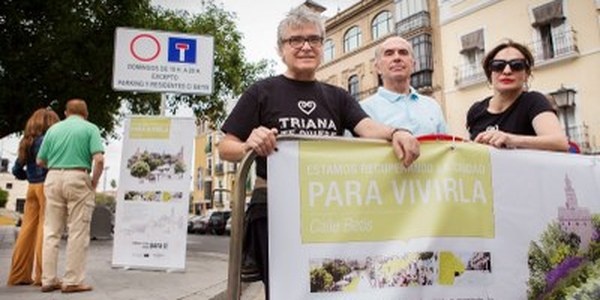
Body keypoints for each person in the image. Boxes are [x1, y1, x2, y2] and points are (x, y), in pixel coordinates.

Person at [218, 7, 420, 297]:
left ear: (322, 48)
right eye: (295, 40)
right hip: (273, 209)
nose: (305, 46)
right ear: (281, 49)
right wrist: (249, 143)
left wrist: (397, 132)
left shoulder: (337, 96)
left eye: (314, 39)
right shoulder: (261, 92)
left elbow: (366, 127)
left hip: (326, 211)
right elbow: (226, 147)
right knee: (284, 289)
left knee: (329, 287)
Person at [36, 99, 105, 293]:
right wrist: (94, 181)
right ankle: (72, 281)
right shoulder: (90, 129)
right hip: (78, 176)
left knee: (51, 231)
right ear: (86, 114)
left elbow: (40, 160)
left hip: (53, 177)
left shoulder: (53, 130)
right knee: (77, 231)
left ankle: (48, 279)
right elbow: (99, 159)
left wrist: (57, 167)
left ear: (66, 113)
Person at [466, 40, 568, 151]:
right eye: (498, 65)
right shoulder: (476, 111)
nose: (507, 71)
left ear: (526, 74)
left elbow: (560, 143)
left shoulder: (533, 101)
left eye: (516, 65)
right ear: (490, 73)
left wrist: (510, 139)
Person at [7, 108, 60, 286]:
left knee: (27, 230)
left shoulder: (26, 141)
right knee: (45, 229)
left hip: (31, 188)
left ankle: (18, 275)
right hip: (45, 187)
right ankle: (42, 276)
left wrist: (29, 177)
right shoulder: (48, 140)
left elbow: (16, 170)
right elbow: (49, 164)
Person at [361, 36, 447, 136]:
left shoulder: (432, 106)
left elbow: (446, 146)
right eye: (389, 53)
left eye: (403, 52)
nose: (397, 58)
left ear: (413, 65)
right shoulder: (363, 110)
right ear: (377, 67)